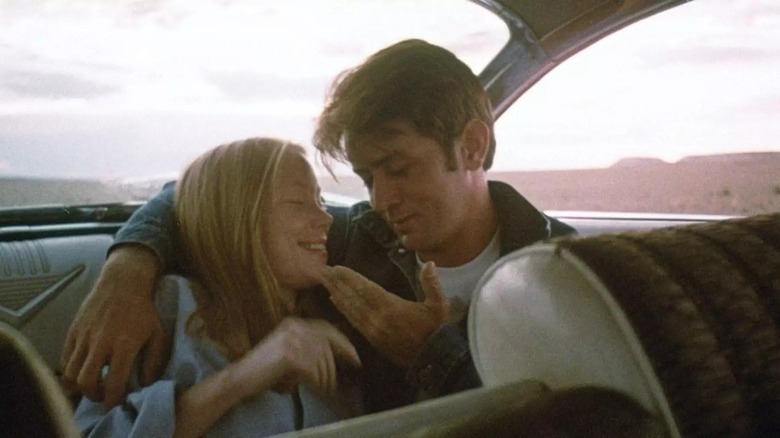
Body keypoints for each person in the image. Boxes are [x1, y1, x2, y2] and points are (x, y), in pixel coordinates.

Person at [61, 39, 576, 414]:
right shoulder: (356, 239)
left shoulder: (569, 276)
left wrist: (434, 357)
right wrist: (127, 272)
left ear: (472, 146)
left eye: (397, 169)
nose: (380, 199)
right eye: (367, 176)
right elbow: (207, 198)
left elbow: (579, 423)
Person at [74, 138, 365, 437]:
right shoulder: (169, 308)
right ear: (238, 218)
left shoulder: (340, 312)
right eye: (297, 203)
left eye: (320, 201)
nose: (326, 218)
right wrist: (240, 380)